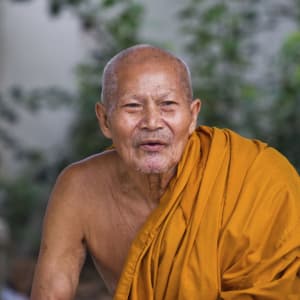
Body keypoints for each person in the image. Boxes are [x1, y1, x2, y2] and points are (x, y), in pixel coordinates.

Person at [31, 44, 300, 300]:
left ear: (193, 115)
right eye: (132, 106)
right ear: (104, 120)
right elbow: (50, 293)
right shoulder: (79, 190)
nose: (151, 122)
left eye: (168, 104)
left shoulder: (256, 177)